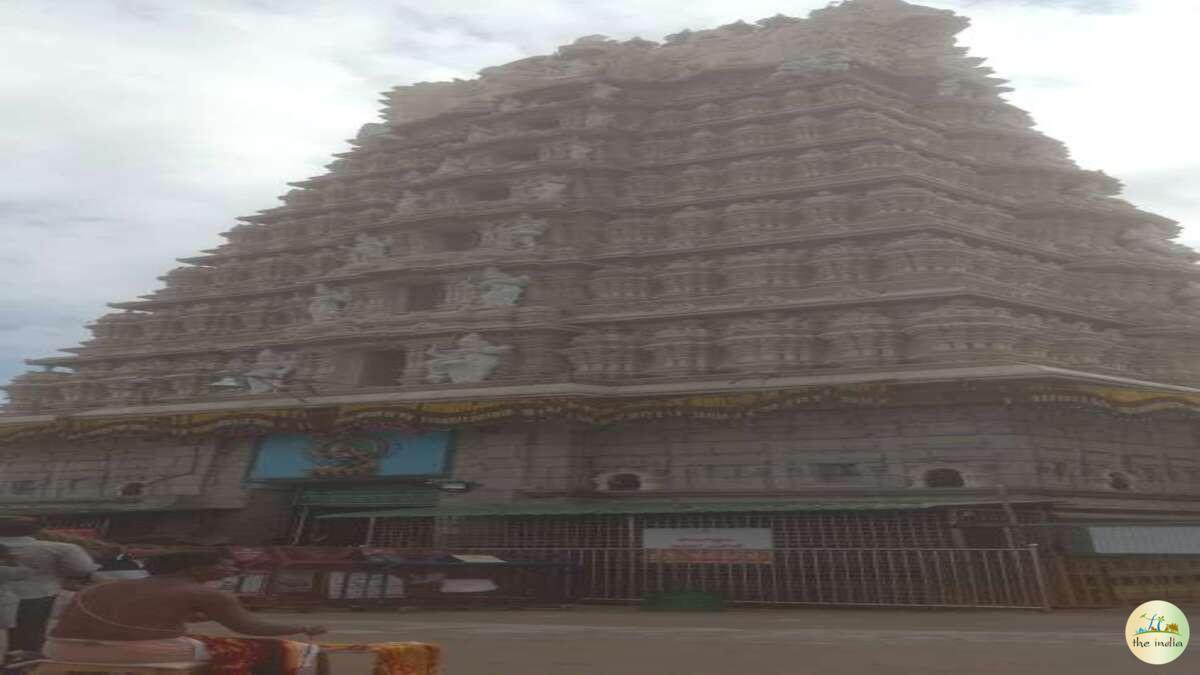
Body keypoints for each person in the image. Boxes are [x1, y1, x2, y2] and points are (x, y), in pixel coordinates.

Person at [48, 551, 326, 674]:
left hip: (61, 649)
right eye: (226, 565)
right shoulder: (209, 593)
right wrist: (300, 627)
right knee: (280, 651)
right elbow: (249, 627)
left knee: (201, 642)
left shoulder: (101, 588)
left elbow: (138, 614)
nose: (233, 570)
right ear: (195, 569)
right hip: (139, 652)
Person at [0, 517, 97, 663]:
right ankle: (21, 667)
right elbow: (82, 570)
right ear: (36, 530)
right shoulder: (62, 548)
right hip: (37, 595)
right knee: (29, 636)